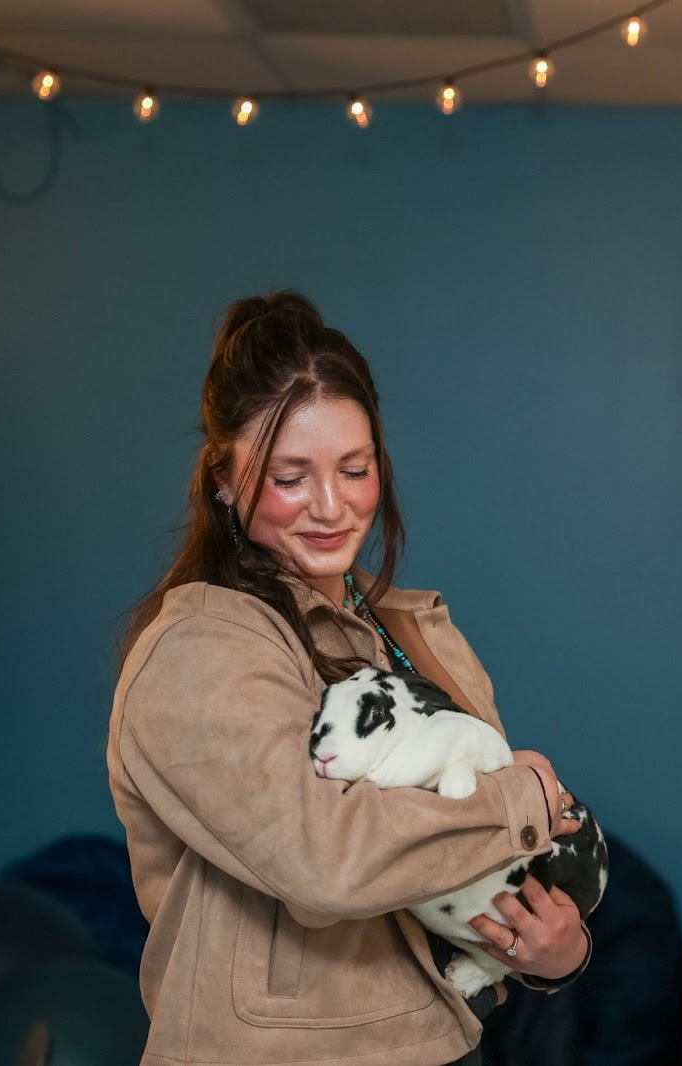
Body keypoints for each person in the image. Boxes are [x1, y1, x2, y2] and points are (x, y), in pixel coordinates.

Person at [108, 290, 591, 1066]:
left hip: (436, 1044)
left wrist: (552, 952)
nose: (331, 507)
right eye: (290, 477)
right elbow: (326, 863)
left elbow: (469, 864)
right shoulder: (199, 652)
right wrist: (523, 800)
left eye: (355, 469)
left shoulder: (408, 628)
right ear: (223, 478)